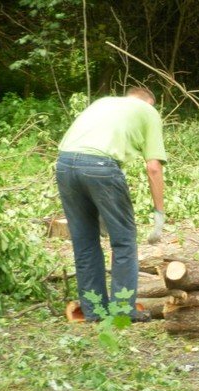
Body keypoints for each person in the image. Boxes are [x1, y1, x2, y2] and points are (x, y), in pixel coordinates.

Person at [56, 87, 167, 322]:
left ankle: (93, 311)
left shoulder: (103, 102)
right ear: (149, 102)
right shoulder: (147, 111)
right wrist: (159, 214)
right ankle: (122, 311)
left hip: (64, 164)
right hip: (101, 166)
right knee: (124, 242)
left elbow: (82, 154)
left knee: (84, 242)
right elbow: (153, 167)